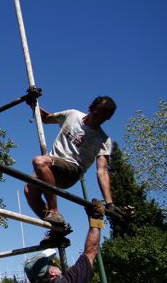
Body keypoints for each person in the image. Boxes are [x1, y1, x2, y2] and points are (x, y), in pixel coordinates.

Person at [24, 96, 127, 242]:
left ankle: (54, 211)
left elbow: (102, 170)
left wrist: (109, 203)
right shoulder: (72, 115)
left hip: (72, 170)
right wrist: (33, 104)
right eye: (97, 114)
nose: (98, 120)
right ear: (91, 108)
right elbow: (46, 119)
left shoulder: (103, 140)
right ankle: (57, 228)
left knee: (39, 161)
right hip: (51, 166)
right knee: (29, 191)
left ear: (108, 119)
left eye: (103, 118)